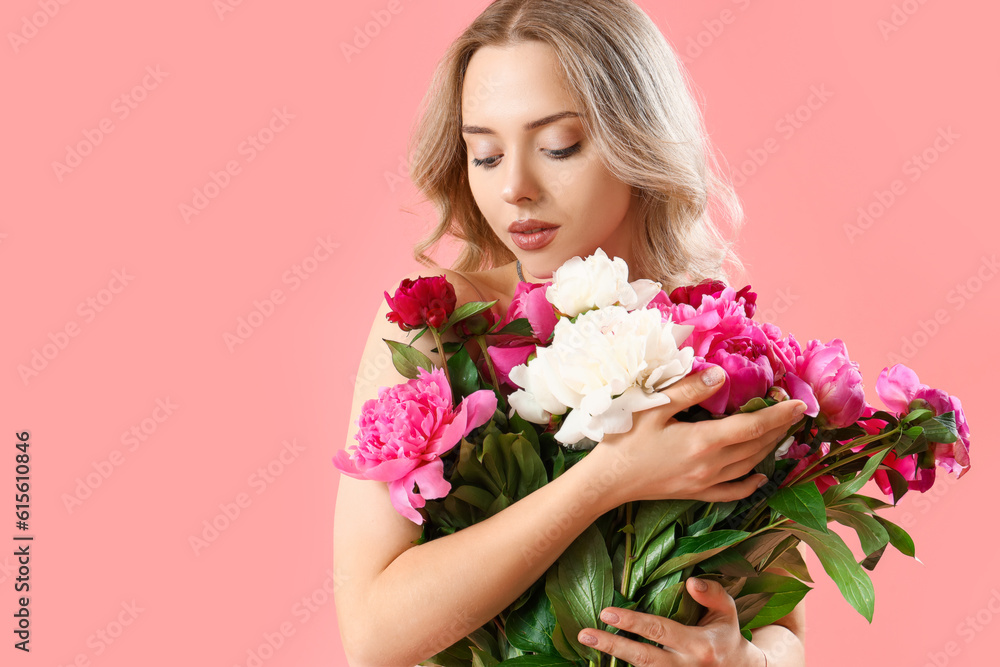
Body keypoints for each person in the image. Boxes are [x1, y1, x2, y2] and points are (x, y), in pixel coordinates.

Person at [334, 1, 808, 665]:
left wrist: (745, 660)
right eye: (487, 154)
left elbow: (783, 616)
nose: (516, 189)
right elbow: (373, 636)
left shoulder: (711, 344)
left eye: (558, 146)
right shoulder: (434, 331)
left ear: (636, 138)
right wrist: (608, 478)